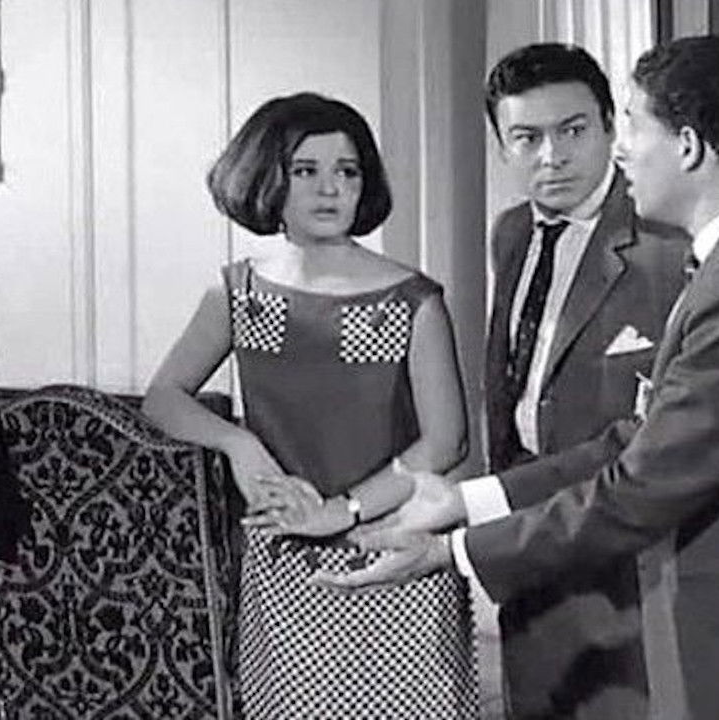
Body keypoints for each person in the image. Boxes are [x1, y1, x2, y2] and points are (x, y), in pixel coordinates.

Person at [320, 34, 719, 720]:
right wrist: (468, 501)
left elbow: (645, 481)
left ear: (688, 146)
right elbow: (643, 438)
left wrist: (452, 551)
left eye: (633, 126)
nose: (622, 152)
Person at [141, 92, 477, 718]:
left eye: (347, 171)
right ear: (266, 177)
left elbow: (446, 442)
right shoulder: (238, 292)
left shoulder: (412, 299)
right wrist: (240, 444)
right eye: (306, 171)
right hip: (284, 558)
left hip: (394, 549)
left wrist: (341, 510)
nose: (330, 189)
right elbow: (164, 396)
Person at [480, 43, 686, 718]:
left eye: (572, 131)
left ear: (609, 127)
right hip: (527, 547)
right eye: (526, 138)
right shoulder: (512, 234)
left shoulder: (666, 243)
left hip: (628, 565)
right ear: (503, 147)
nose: (552, 157)